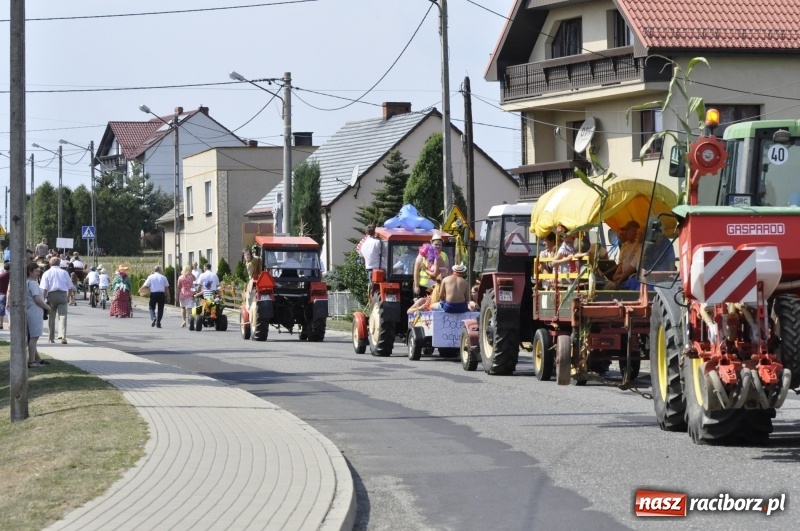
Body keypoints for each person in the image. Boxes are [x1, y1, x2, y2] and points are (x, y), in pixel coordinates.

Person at [24, 262, 52, 368]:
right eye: (36, 271)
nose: (38, 273)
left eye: (39, 272)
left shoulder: (26, 283)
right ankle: (31, 361)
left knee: (31, 337)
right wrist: (48, 307)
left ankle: (37, 359)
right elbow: (37, 299)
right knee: (34, 337)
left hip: (29, 311)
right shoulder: (33, 283)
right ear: (30, 272)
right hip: (35, 312)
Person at [40, 256, 72, 344]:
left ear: (49, 263)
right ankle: (63, 336)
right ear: (59, 263)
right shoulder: (64, 273)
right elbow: (70, 287)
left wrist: (42, 300)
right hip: (62, 294)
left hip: (51, 295)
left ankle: (51, 338)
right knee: (63, 316)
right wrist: (68, 297)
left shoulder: (47, 273)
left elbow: (44, 289)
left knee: (51, 316)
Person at [607, 221, 643, 289]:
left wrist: (620, 279)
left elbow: (632, 268)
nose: (625, 233)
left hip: (631, 277)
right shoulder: (625, 245)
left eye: (628, 230)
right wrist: (616, 275)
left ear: (635, 231)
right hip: (624, 275)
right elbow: (621, 264)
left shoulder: (638, 246)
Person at [0, 262, 8, 329]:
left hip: (2, 293)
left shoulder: (3, 275)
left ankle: (1, 324)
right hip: (7, 293)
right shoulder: (11, 275)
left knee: (1, 310)